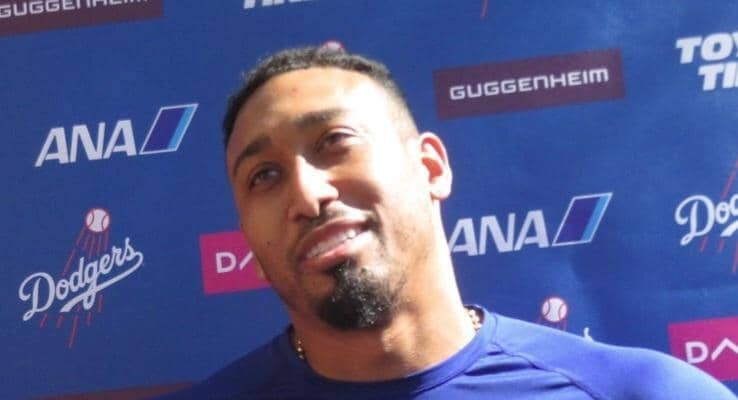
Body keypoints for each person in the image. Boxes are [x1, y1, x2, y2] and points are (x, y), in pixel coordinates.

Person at [156, 46, 737, 399]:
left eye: (335, 142)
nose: (307, 195)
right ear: (247, 238)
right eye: (264, 175)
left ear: (430, 167)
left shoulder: (644, 393)